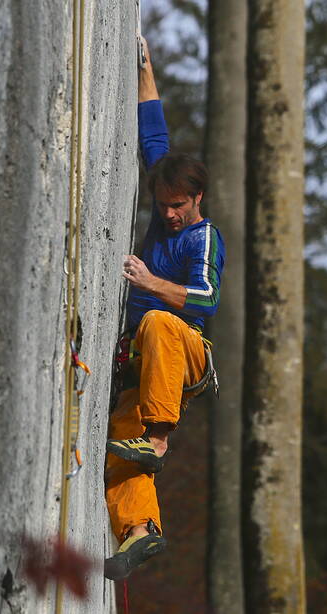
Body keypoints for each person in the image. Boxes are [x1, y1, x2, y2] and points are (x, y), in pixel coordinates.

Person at [103, 36, 225, 581]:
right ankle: (140, 531)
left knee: (157, 320)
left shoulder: (203, 238)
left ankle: (158, 440)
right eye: (164, 205)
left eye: (178, 206)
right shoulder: (164, 193)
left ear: (197, 199)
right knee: (114, 451)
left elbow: (207, 299)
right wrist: (144, 65)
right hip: (149, 362)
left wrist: (150, 280)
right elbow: (153, 129)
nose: (169, 214)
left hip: (187, 353)